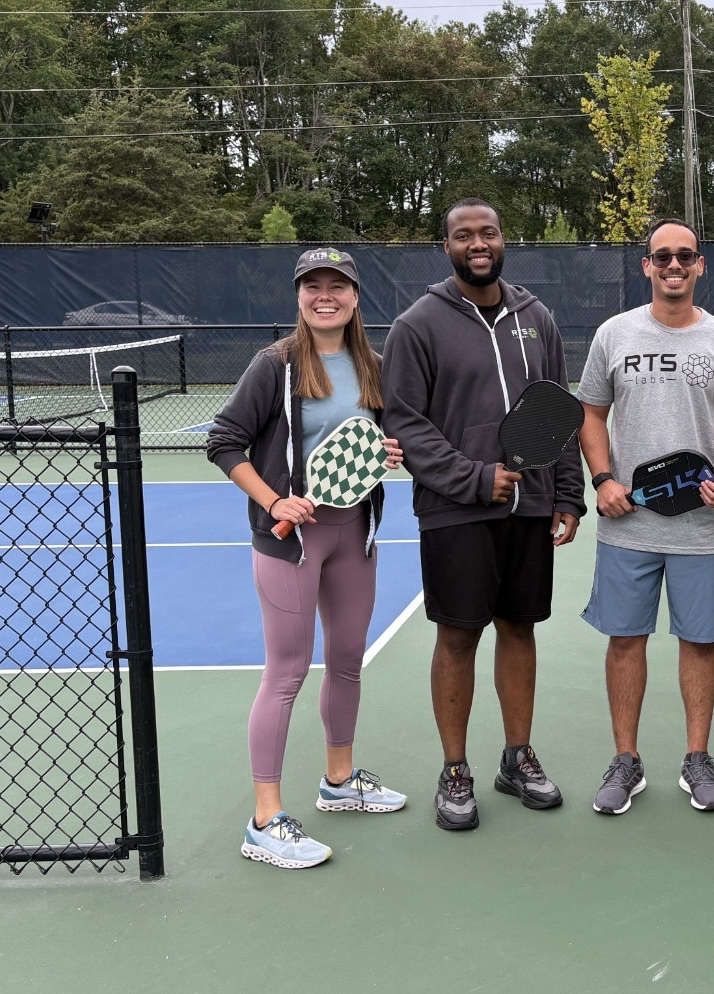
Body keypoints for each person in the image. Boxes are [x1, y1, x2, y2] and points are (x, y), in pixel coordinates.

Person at [380, 199, 585, 832]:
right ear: (446, 246)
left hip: (529, 507)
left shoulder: (537, 317)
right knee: (458, 636)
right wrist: (474, 479)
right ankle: (455, 769)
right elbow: (405, 423)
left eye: (488, 233)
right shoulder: (417, 325)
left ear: (502, 240)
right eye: (464, 235)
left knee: (519, 629)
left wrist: (568, 493)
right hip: (454, 512)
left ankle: (516, 757)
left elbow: (557, 409)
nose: (478, 243)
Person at [207, 247, 407, 870]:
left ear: (354, 296)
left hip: (355, 535)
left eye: (337, 286)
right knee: (287, 673)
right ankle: (264, 819)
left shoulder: (371, 365)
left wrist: (386, 456)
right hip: (292, 541)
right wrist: (274, 502)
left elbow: (363, 445)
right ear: (298, 297)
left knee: (347, 661)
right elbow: (224, 441)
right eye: (313, 286)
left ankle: (338, 781)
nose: (326, 296)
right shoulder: (275, 366)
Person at [577, 218, 714, 815]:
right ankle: (625, 761)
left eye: (685, 256)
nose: (674, 265)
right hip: (627, 524)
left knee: (698, 641)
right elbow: (592, 414)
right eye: (663, 256)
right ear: (647, 266)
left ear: (701, 265)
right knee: (625, 640)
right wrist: (602, 480)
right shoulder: (613, 335)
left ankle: (697, 758)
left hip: (701, 527)